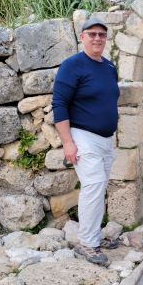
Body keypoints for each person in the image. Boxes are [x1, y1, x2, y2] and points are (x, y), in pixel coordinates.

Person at [52, 18, 120, 266]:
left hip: (105, 139)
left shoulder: (109, 67)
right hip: (82, 136)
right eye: (92, 34)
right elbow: (59, 104)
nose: (97, 39)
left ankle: (93, 236)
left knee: (98, 188)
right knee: (94, 185)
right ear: (82, 37)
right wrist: (68, 143)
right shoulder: (72, 66)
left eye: (102, 34)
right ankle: (87, 244)